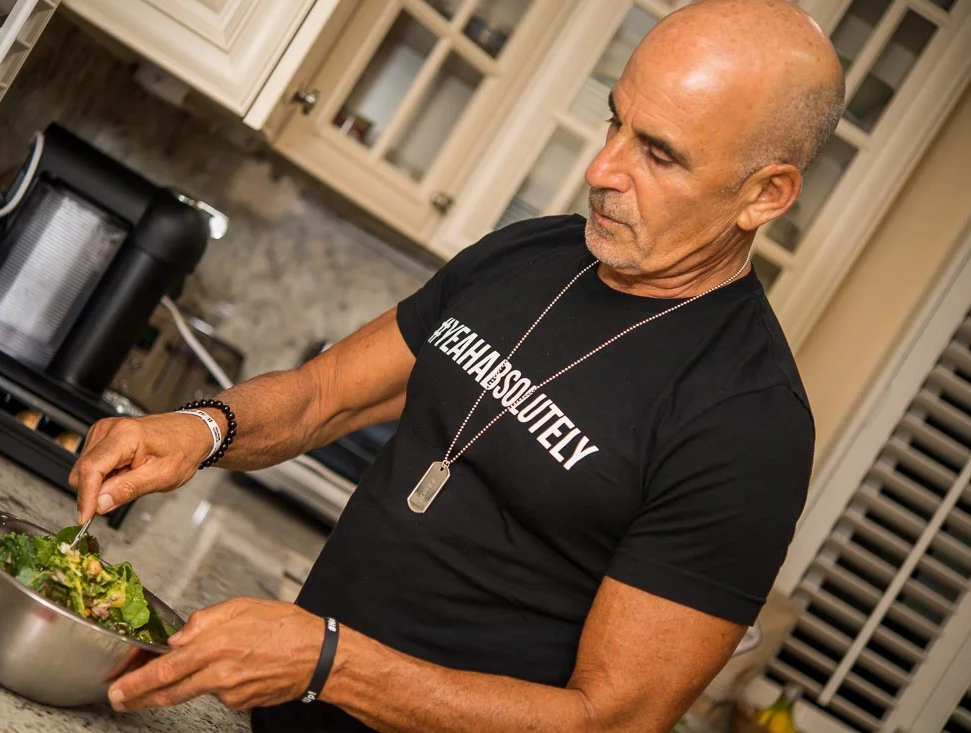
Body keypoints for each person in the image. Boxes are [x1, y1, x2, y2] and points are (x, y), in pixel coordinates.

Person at [70, 0, 844, 729]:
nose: (603, 169)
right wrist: (201, 428)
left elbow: (611, 717)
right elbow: (323, 395)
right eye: (616, 120)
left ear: (764, 194)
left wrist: (331, 662)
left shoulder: (749, 423)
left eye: (659, 153)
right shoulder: (534, 252)